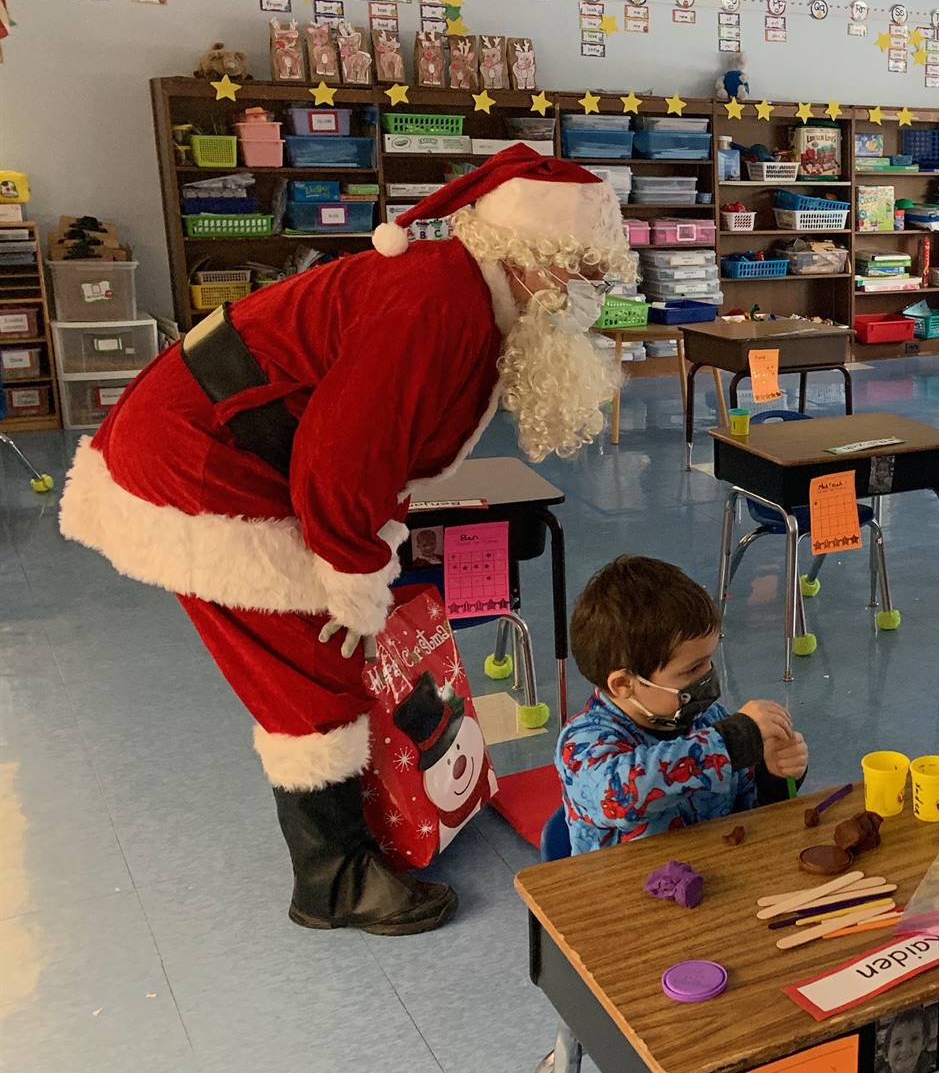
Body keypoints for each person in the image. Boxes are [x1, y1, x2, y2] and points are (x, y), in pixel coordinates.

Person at [59, 145, 632, 934]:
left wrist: (370, 542)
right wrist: (351, 569)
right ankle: (331, 883)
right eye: (582, 273)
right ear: (531, 258)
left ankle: (365, 820)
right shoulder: (438, 302)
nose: (590, 297)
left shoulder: (469, 296)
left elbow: (381, 444)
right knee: (303, 661)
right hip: (196, 465)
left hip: (248, 451)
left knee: (329, 639)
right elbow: (343, 453)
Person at [556, 555, 808, 852]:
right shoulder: (583, 741)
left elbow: (746, 810)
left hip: (715, 875)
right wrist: (733, 742)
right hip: (624, 890)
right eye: (692, 669)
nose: (708, 675)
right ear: (624, 684)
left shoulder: (707, 717)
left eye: (709, 661)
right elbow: (619, 798)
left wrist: (773, 776)